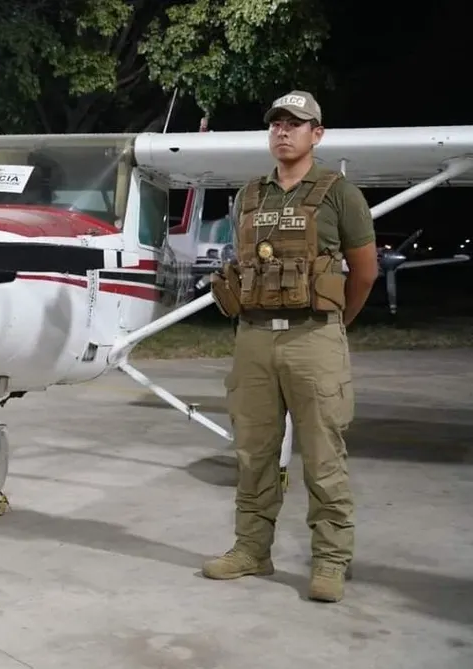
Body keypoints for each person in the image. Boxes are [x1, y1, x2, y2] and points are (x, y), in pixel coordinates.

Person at [204, 90, 378, 603]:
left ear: (316, 134)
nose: (283, 131)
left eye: (295, 123)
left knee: (323, 455)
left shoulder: (340, 194)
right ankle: (251, 549)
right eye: (277, 123)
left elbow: (364, 272)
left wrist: (335, 324)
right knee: (253, 452)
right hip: (254, 338)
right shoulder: (249, 195)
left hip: (312, 336)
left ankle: (330, 560)